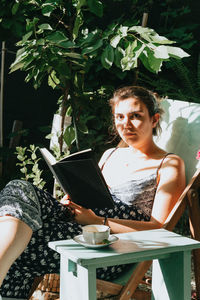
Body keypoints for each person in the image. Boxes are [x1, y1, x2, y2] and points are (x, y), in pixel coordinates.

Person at [0, 86, 185, 299]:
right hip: (81, 225)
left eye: (135, 116)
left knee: (26, 242)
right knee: (19, 188)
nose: (126, 124)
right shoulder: (111, 154)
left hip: (113, 245)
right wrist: (72, 199)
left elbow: (159, 227)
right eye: (120, 117)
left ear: (154, 120)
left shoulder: (169, 163)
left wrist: (98, 220)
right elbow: (94, 195)